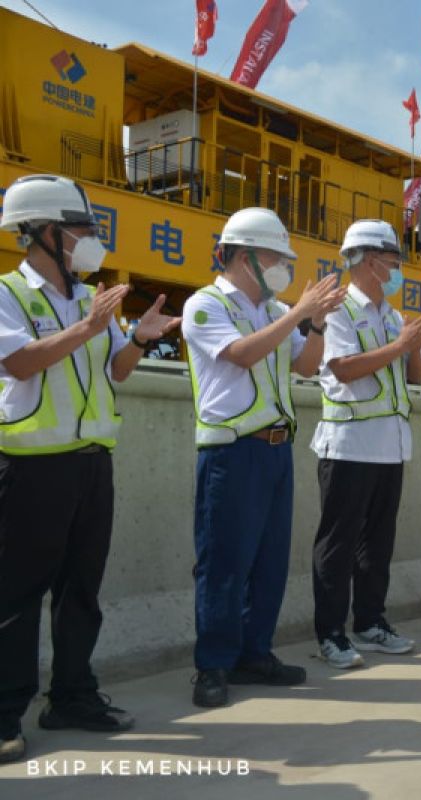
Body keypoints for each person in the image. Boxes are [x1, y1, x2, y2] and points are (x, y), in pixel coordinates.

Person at [0, 175, 179, 762]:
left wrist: (140, 341)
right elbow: (21, 363)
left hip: (91, 466)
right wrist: (89, 329)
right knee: (16, 598)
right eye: (82, 229)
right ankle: (5, 713)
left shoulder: (87, 299)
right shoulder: (9, 294)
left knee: (82, 590)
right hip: (30, 469)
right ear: (46, 233)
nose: (90, 239)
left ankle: (72, 694)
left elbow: (114, 374)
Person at [184, 208, 346, 707]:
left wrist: (314, 324)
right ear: (243, 255)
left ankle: (255, 653)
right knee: (224, 564)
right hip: (232, 452)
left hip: (276, 452)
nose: (284, 267)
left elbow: (304, 365)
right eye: (277, 257)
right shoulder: (205, 305)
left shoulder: (276, 311)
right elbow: (241, 355)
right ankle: (213, 664)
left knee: (269, 563)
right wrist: (300, 314)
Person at [309, 220, 421, 668]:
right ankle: (330, 633)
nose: (398, 268)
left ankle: (370, 621)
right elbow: (342, 367)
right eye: (393, 259)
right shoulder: (339, 308)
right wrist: (400, 343)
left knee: (377, 544)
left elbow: (416, 377)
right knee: (338, 543)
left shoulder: (390, 314)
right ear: (367, 259)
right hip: (349, 445)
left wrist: (414, 345)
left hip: (389, 445)